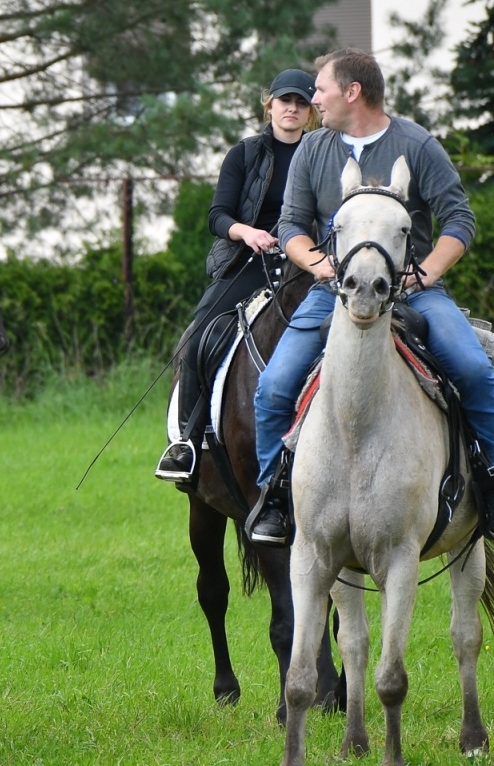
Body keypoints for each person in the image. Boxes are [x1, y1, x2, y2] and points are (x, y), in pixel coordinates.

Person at [246, 47, 494, 545]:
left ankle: (489, 485)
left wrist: (422, 275)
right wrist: (322, 265)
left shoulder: (418, 144)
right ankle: (275, 497)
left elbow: (460, 220)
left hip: (414, 293)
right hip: (331, 292)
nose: (313, 99)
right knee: (273, 387)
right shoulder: (314, 149)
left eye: (320, 89)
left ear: (352, 92)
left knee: (474, 370)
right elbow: (292, 225)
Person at [155, 68, 318, 481]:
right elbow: (217, 215)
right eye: (285, 101)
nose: (292, 109)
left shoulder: (321, 153)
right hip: (251, 262)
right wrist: (246, 232)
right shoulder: (244, 154)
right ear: (270, 105)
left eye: (301, 103)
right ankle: (187, 443)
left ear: (311, 110)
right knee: (199, 335)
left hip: (310, 266)